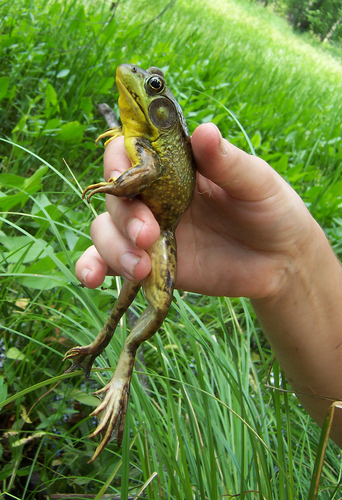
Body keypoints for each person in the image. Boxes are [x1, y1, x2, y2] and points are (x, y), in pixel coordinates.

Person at [75, 122, 342, 447]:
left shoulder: (147, 143)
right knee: (128, 290)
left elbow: (146, 169)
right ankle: (96, 346)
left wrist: (116, 185)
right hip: (168, 229)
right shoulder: (136, 136)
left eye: (154, 84)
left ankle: (121, 374)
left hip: (167, 230)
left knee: (153, 305)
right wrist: (290, 262)